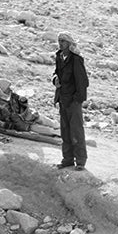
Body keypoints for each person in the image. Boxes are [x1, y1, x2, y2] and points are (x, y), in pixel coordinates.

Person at [52, 31, 89, 170]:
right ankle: (67, 159)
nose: (60, 43)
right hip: (62, 98)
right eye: (59, 40)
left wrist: (77, 99)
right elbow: (56, 72)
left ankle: (80, 161)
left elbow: (83, 82)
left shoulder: (76, 59)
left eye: (63, 41)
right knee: (65, 131)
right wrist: (54, 79)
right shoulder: (59, 56)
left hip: (73, 101)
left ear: (69, 43)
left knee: (76, 131)